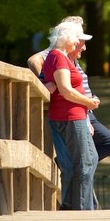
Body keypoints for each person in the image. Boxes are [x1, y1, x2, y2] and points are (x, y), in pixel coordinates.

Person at [27, 17, 110, 162]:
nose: (82, 45)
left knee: (95, 155)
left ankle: (70, 163)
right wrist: (45, 84)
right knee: (103, 150)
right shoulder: (57, 54)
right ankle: (68, 162)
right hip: (76, 112)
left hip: (83, 110)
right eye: (79, 38)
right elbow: (33, 60)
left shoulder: (69, 57)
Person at [40, 19, 101, 210]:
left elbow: (60, 86)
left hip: (74, 115)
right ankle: (81, 210)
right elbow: (66, 90)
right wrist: (88, 102)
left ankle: (74, 205)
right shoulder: (58, 57)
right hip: (70, 116)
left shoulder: (59, 57)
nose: (78, 43)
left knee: (89, 160)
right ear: (66, 38)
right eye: (76, 38)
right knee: (84, 163)